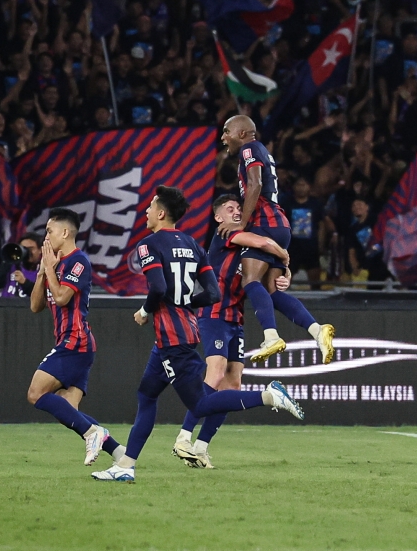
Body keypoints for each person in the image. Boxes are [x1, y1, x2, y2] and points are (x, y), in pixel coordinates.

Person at [92, 186, 304, 483]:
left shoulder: (148, 245)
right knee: (147, 394)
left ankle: (268, 396)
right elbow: (214, 292)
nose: (146, 211)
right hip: (183, 332)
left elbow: (158, 289)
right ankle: (125, 465)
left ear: (162, 213)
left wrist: (145, 311)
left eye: (151, 206)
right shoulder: (194, 245)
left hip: (172, 339)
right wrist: (185, 304)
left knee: (200, 404)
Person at [172, 194, 294, 469]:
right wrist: (285, 253)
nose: (237, 212)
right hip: (214, 314)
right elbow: (264, 243)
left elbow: (272, 275)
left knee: (232, 385)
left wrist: (285, 273)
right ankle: (183, 437)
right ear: (218, 217)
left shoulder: (249, 245)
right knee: (214, 374)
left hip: (235, 319)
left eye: (239, 208)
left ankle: (201, 448)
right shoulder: (226, 234)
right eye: (230, 209)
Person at [218, 115, 335, 364]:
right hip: (279, 223)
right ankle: (317, 330)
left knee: (250, 279)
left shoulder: (249, 148)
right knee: (270, 291)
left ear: (241, 134)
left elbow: (256, 183)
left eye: (227, 131)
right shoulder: (259, 150)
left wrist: (241, 222)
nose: (223, 137)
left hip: (265, 221)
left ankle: (271, 337)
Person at [27, 209, 125, 467]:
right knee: (67, 409)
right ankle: (119, 453)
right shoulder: (53, 265)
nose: (45, 237)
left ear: (65, 232)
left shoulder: (78, 262)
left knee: (36, 394)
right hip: (69, 341)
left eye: (49, 231)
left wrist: (50, 270)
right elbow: (36, 306)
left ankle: (92, 433)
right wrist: (41, 273)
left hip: (76, 340)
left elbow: (61, 298)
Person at [0, 233, 43, 298]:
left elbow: (42, 295)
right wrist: (9, 259)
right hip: (6, 307)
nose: (27, 252)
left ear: (40, 250)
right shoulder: (12, 266)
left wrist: (25, 282)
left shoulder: (43, 271)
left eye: (30, 248)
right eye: (23, 248)